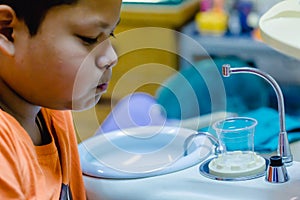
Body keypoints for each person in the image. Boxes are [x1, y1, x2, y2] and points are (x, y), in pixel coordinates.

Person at [0, 0, 121, 199]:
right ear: (7, 31)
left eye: (111, 34)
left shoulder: (55, 110)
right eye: (89, 38)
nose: (111, 57)